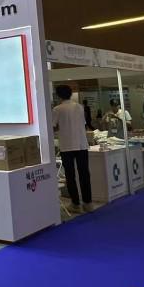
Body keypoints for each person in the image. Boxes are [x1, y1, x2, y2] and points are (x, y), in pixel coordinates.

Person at [52, 85, 92, 213]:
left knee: (70, 176)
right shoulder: (80, 107)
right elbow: (83, 123)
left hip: (67, 146)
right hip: (81, 145)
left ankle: (75, 204)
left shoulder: (57, 109)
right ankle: (88, 203)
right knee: (84, 174)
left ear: (58, 95)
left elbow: (53, 126)